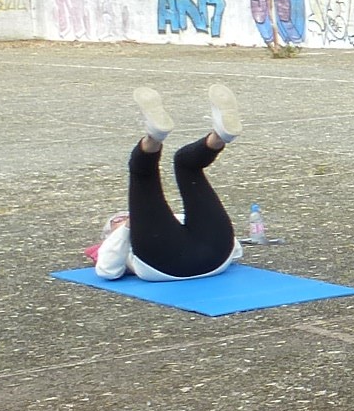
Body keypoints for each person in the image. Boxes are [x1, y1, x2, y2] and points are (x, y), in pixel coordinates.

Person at [89, 86, 246, 282]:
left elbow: (234, 247)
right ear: (108, 234)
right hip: (186, 260)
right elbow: (107, 271)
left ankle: (218, 137)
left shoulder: (169, 222)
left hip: (211, 252)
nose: (124, 216)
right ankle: (154, 137)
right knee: (144, 177)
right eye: (116, 221)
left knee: (185, 164)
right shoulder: (120, 241)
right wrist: (125, 230)